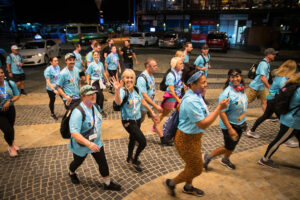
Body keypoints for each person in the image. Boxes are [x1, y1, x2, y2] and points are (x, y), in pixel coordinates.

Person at [163, 67, 229, 197]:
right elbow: (203, 124)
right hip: (186, 140)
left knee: (191, 164)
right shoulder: (191, 100)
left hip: (194, 138)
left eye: (205, 81)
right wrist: (219, 108)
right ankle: (171, 182)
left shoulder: (195, 94)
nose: (206, 84)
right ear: (192, 84)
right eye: (203, 82)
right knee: (197, 168)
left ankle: (188, 187)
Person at [68, 85, 121, 191]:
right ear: (83, 96)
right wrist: (89, 144)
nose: (93, 96)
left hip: (96, 142)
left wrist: (117, 90)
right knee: (77, 162)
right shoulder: (77, 113)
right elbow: (74, 133)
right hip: (82, 145)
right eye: (90, 94)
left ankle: (107, 183)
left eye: (94, 93)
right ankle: (71, 172)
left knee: (103, 162)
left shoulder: (95, 106)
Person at [113, 69, 159, 172]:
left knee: (133, 139)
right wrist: (116, 90)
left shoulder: (137, 89)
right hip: (128, 121)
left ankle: (129, 157)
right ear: (123, 79)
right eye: (127, 77)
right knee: (143, 142)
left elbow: (143, 102)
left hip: (137, 119)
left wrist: (152, 111)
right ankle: (134, 160)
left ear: (134, 79)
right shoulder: (122, 91)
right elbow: (118, 102)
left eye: (131, 77)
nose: (129, 80)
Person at [203, 68, 248, 170]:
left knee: (233, 145)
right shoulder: (227, 93)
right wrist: (230, 129)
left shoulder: (241, 89)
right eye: (232, 77)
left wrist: (242, 121)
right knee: (228, 146)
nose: (235, 79)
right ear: (229, 78)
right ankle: (208, 157)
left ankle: (225, 159)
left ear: (241, 77)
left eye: (237, 76)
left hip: (239, 124)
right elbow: (221, 112)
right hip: (229, 125)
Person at [247, 60, 297, 140]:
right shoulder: (283, 78)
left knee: (266, 115)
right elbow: (284, 89)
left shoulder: (280, 74)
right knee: (283, 119)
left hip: (271, 98)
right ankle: (285, 139)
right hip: (275, 100)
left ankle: (251, 131)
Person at [258, 72, 300, 169]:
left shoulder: (294, 86)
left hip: (292, 119)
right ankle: (264, 159)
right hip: (292, 122)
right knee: (278, 141)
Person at [136, 58, 172, 145]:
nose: (157, 67)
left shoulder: (151, 75)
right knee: (138, 123)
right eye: (154, 66)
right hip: (143, 106)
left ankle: (163, 139)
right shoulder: (142, 79)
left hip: (151, 104)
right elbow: (144, 96)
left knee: (156, 120)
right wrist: (156, 106)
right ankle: (135, 138)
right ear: (148, 67)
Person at [247, 48, 278, 112]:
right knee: (246, 101)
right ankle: (233, 108)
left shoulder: (267, 63)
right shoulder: (264, 64)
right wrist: (269, 87)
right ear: (268, 55)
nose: (275, 55)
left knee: (264, 101)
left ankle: (266, 115)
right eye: (273, 54)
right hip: (255, 87)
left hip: (261, 87)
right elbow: (262, 77)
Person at [0, 67, 21, 157]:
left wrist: (10, 101)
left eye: (1, 72)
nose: (0, 75)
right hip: (0, 112)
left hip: (11, 109)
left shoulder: (10, 83)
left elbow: (17, 95)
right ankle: (10, 147)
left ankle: (12, 142)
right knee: (7, 130)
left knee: (11, 128)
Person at [86, 51, 109, 117]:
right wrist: (88, 84)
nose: (96, 56)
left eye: (97, 55)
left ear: (98, 56)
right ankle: (99, 110)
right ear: (93, 56)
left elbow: (103, 72)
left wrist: (107, 80)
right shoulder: (91, 65)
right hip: (94, 82)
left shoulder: (101, 64)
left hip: (100, 81)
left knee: (99, 97)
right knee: (100, 95)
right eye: (95, 55)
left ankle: (98, 109)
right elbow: (88, 74)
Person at [159, 57, 183, 122]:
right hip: (171, 98)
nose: (182, 65)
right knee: (164, 113)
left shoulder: (179, 72)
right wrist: (178, 100)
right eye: (180, 64)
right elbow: (171, 91)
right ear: (175, 65)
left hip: (177, 95)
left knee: (181, 111)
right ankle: (156, 125)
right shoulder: (171, 76)